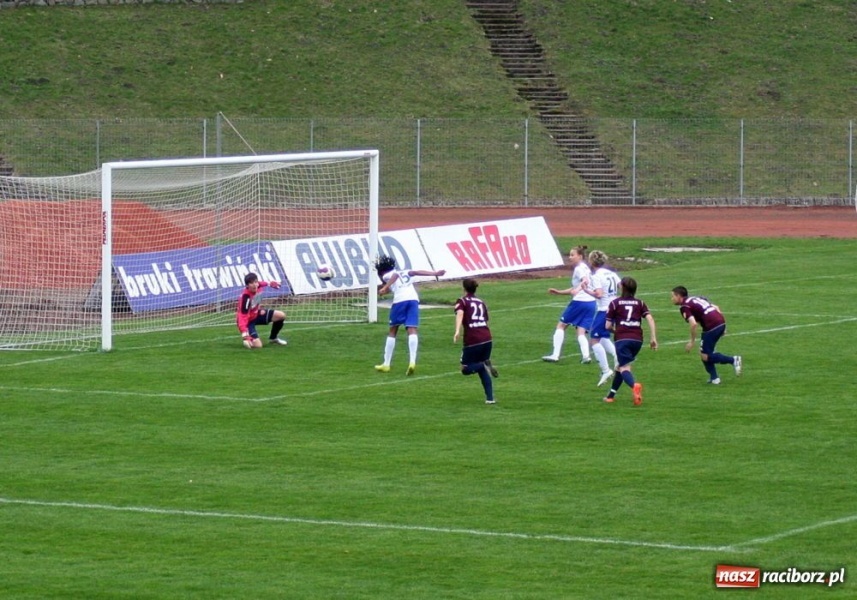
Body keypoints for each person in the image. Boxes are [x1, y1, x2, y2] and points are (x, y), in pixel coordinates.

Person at [374, 254, 446, 375]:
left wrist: (385, 287)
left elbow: (395, 276)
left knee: (393, 330)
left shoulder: (387, 275)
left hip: (400, 300)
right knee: (412, 329)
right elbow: (416, 272)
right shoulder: (405, 271)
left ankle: (386, 364)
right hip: (413, 300)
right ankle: (412, 361)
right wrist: (435, 273)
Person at [670, 286, 742, 384]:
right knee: (705, 352)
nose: (672, 299)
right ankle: (714, 378)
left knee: (705, 355)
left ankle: (733, 360)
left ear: (679, 296)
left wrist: (691, 342)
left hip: (711, 326)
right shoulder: (695, 298)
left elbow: (693, 324)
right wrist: (723, 325)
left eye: (673, 296)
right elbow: (716, 307)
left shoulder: (684, 306)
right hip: (719, 322)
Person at [603, 277, 657, 406]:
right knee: (619, 367)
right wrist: (653, 338)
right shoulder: (641, 303)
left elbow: (607, 326)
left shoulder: (615, 303)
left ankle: (634, 386)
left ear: (622, 287)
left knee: (624, 368)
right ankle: (610, 396)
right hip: (637, 340)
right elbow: (650, 319)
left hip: (622, 339)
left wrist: (615, 331)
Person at [542, 245, 596, 363]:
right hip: (591, 303)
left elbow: (584, 281)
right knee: (581, 331)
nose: (570, 257)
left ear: (580, 256)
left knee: (561, 325)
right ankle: (586, 357)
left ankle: (555, 355)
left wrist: (577, 290)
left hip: (580, 302)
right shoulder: (586, 268)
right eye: (569, 255)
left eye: (572, 255)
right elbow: (577, 286)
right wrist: (559, 292)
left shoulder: (579, 269)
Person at [453, 278, 498, 405]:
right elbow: (486, 319)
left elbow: (460, 314)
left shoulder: (462, 301)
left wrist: (457, 331)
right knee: (481, 368)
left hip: (473, 339)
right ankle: (490, 398)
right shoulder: (481, 302)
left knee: (465, 368)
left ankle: (483, 365)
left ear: (464, 288)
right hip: (487, 338)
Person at [586, 250, 622, 387]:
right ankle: (617, 357)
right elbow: (621, 286)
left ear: (591, 261)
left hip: (604, 309)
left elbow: (599, 294)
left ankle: (605, 370)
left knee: (594, 340)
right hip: (614, 308)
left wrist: (586, 290)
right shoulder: (612, 273)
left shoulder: (597, 276)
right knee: (604, 336)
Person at [236, 272, 288, 349]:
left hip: (257, 314)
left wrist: (270, 283)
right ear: (247, 285)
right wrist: (244, 334)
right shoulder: (246, 298)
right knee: (258, 346)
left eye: (256, 282)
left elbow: (262, 283)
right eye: (251, 283)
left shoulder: (258, 285)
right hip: (248, 321)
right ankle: (249, 340)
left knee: (281, 315)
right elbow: (242, 317)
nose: (255, 285)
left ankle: (273, 338)